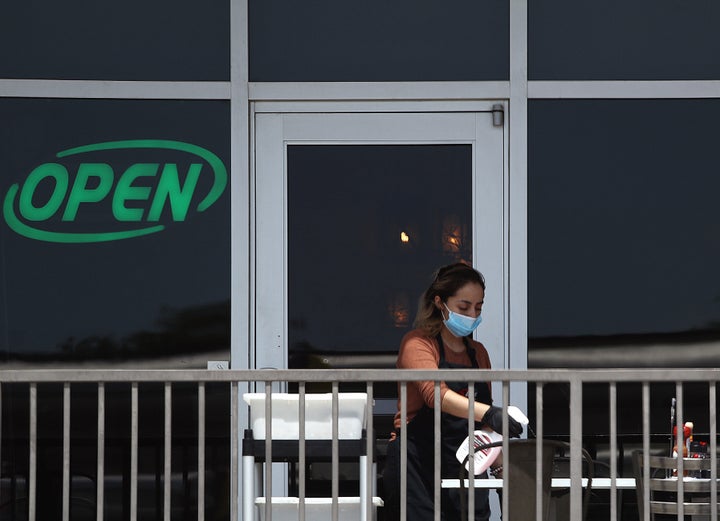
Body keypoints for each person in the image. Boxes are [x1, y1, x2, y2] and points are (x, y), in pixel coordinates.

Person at [382, 262, 523, 521]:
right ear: (439, 302)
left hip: (468, 466)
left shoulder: (478, 353)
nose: (472, 314)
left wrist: (502, 469)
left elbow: (484, 425)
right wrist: (491, 413)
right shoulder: (417, 343)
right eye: (463, 307)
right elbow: (435, 394)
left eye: (478, 307)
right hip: (417, 467)